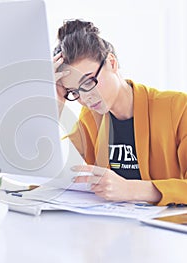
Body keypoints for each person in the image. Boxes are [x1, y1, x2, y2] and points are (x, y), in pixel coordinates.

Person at [53, 19, 187, 206]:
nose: (85, 98)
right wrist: (56, 102)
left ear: (111, 62)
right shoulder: (90, 118)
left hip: (170, 229)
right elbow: (51, 169)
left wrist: (131, 189)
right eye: (74, 92)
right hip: (112, 227)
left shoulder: (178, 107)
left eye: (89, 82)